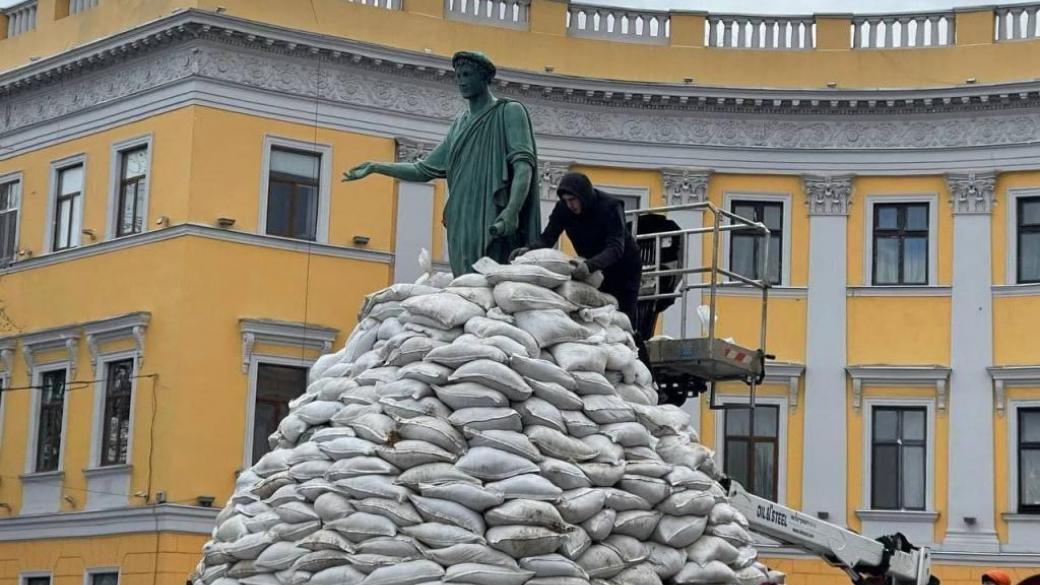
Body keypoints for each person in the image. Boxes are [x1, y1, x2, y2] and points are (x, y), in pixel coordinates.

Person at [344, 51, 541, 277]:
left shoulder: (509, 111)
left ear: (484, 77)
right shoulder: (459, 125)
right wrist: (376, 167)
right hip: (460, 217)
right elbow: (422, 170)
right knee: (465, 282)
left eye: (467, 74)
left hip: (494, 211)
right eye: (458, 76)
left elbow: (524, 166)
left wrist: (512, 210)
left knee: (493, 278)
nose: (461, 81)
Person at [511, 171, 643, 332]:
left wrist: (589, 266)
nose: (570, 205)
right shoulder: (563, 210)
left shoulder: (611, 206)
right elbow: (548, 238)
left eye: (573, 199)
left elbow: (616, 248)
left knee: (623, 315)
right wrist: (528, 250)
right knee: (597, 312)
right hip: (593, 269)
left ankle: (632, 343)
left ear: (584, 196)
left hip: (624, 268)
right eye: (566, 200)